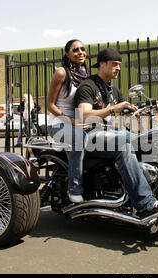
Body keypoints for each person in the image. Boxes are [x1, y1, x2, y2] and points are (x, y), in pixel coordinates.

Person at [75, 47, 158, 218]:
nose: (118, 68)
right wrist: (113, 109)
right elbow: (84, 115)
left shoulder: (113, 89)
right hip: (90, 136)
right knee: (122, 143)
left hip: (110, 133)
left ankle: (155, 188)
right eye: (114, 64)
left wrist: (148, 110)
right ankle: (145, 204)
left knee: (146, 140)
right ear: (102, 64)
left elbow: (128, 110)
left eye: (119, 65)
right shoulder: (88, 86)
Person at [47, 39, 89, 203]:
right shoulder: (61, 73)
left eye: (83, 49)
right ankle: (75, 189)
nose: (80, 52)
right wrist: (72, 122)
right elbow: (50, 105)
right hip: (58, 123)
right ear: (67, 54)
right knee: (79, 137)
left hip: (79, 122)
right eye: (75, 49)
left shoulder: (84, 73)